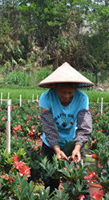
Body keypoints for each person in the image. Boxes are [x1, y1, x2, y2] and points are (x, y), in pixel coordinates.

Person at [38, 62, 93, 191]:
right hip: (50, 143)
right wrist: (57, 150)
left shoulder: (82, 98)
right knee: (51, 179)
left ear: (75, 90)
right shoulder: (46, 98)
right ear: (55, 88)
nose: (66, 96)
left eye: (70, 92)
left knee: (79, 179)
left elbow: (84, 125)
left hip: (73, 141)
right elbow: (49, 127)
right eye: (62, 92)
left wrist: (77, 147)